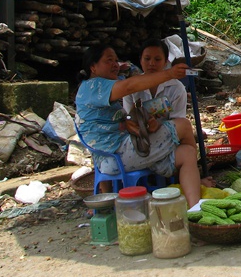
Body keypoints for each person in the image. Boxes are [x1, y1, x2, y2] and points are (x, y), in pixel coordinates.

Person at [74, 45, 205, 206]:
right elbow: (129, 86)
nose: (115, 65)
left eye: (116, 60)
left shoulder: (104, 88)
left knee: (187, 152)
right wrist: (169, 74)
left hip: (125, 152)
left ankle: (194, 208)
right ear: (92, 67)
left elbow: (118, 119)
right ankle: (197, 177)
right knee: (184, 126)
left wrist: (135, 123)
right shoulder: (93, 86)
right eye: (109, 61)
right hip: (117, 156)